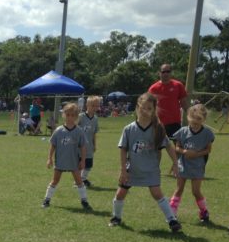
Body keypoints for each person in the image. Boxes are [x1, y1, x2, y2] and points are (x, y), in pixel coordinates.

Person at [109, 93, 182, 232]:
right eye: (142, 107)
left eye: (149, 108)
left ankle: (172, 220)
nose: (145, 111)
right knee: (120, 194)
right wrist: (123, 170)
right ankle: (116, 218)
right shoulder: (129, 129)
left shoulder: (158, 128)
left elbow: (168, 146)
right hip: (133, 169)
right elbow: (123, 150)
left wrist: (175, 162)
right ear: (137, 108)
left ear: (154, 110)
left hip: (150, 169)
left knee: (157, 193)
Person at [168, 104, 215, 223]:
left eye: (199, 119)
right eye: (193, 118)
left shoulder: (207, 133)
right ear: (188, 117)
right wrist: (184, 151)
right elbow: (176, 147)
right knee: (179, 189)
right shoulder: (183, 131)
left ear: (204, 119)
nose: (195, 122)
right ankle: (171, 214)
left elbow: (208, 150)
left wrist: (196, 154)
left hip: (198, 166)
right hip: (183, 164)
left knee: (196, 191)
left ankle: (204, 212)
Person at [41, 103, 91, 210]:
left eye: (73, 115)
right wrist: (49, 158)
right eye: (68, 115)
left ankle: (84, 201)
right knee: (55, 181)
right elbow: (53, 145)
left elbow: (83, 147)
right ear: (64, 115)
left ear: (76, 116)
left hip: (74, 161)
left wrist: (83, 160)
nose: (70, 117)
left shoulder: (79, 131)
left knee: (79, 181)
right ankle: (46, 200)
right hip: (60, 161)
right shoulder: (58, 131)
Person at [78, 96, 101, 187]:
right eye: (93, 105)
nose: (95, 108)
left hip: (90, 146)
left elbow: (94, 133)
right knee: (80, 163)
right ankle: (78, 181)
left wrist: (94, 145)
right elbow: (74, 128)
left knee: (89, 164)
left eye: (96, 106)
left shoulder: (95, 119)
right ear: (87, 105)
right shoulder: (81, 117)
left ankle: (83, 179)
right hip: (80, 146)